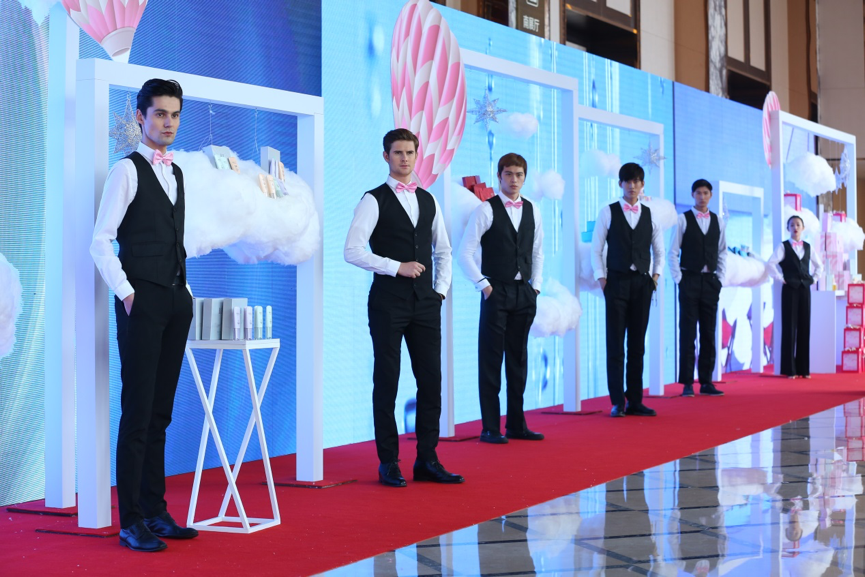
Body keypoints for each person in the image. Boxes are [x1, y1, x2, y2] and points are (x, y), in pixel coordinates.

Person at [90, 79, 198, 552]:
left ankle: (155, 510)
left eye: (174, 114)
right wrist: (128, 294)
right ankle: (131, 519)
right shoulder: (126, 171)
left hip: (175, 301)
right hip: (142, 302)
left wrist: (185, 290)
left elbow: (174, 239)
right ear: (140, 117)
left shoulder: (178, 173)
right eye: (159, 114)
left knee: (161, 413)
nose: (168, 122)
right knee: (137, 412)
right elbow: (101, 241)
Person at [344, 128, 464, 487]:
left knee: (431, 380)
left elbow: (444, 250)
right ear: (386, 156)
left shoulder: (428, 199)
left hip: (426, 303)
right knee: (387, 380)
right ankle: (388, 462)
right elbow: (352, 251)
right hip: (387, 303)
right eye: (398, 152)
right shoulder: (373, 199)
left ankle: (427, 458)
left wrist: (440, 292)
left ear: (416, 155)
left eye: (410, 152)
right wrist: (396, 267)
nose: (405, 158)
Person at [457, 153, 545, 444]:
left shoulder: (533, 209)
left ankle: (517, 425)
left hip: (524, 293)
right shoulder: (485, 209)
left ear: (525, 177)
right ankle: (490, 428)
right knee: (491, 360)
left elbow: (537, 252)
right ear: (499, 176)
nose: (514, 179)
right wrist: (485, 287)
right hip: (496, 291)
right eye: (508, 174)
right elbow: (465, 253)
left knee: (518, 360)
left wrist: (535, 287)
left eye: (519, 174)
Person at [591, 162, 664, 418]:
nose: (632, 186)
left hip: (642, 285)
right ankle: (617, 402)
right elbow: (596, 250)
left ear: (642, 185)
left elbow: (659, 251)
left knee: (637, 345)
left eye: (636, 181)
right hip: (616, 283)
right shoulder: (608, 212)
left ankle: (635, 400)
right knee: (615, 344)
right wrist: (602, 280)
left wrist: (654, 278)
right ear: (620, 183)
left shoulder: (650, 214)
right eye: (627, 181)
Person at [667, 179, 726, 397]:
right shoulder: (682, 219)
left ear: (711, 195)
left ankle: (707, 382)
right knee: (688, 332)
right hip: (689, 280)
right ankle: (687, 383)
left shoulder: (718, 221)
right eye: (698, 193)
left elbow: (722, 251)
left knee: (709, 333)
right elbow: (672, 252)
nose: (702, 197)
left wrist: (720, 279)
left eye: (706, 193)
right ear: (692, 195)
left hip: (710, 281)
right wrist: (679, 279)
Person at [767, 215, 823, 378]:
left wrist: (813, 279)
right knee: (789, 327)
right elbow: (770, 264)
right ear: (788, 228)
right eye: (792, 225)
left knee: (804, 326)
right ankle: (789, 369)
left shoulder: (808, 247)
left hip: (804, 289)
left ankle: (803, 369)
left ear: (803, 228)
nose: (795, 227)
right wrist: (781, 278)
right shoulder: (783, 246)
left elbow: (819, 266)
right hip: (789, 289)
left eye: (798, 224)